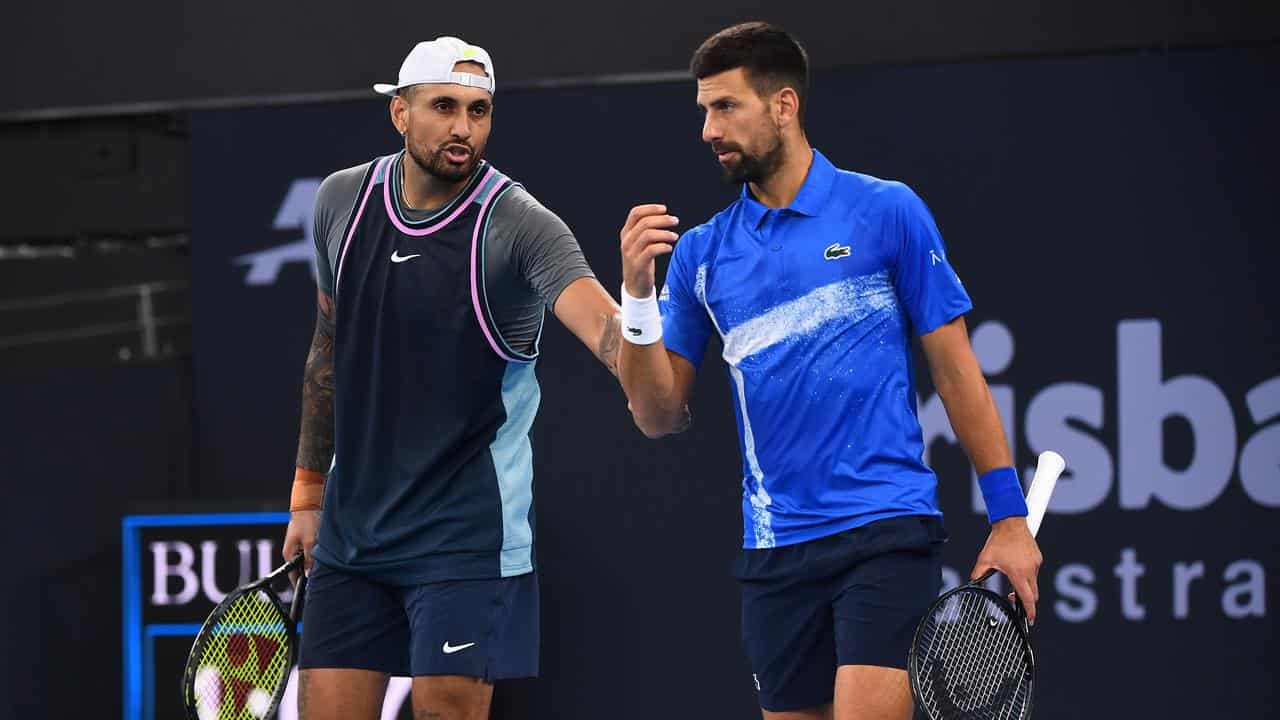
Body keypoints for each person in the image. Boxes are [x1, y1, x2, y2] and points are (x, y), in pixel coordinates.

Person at [616, 22, 1043, 720]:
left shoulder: (887, 212)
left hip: (885, 531)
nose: (707, 129)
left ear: (783, 105)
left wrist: (1008, 517)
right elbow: (657, 415)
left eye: (725, 107)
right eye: (703, 110)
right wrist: (637, 296)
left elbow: (957, 372)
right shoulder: (699, 256)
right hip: (775, 555)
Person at [281, 36, 621, 720]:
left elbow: (608, 333)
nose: (464, 128)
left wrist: (639, 319)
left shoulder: (521, 225)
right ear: (401, 114)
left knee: (446, 711)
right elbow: (328, 349)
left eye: (479, 110)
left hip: (465, 536)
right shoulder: (340, 202)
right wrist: (307, 492)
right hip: (354, 535)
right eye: (444, 106)